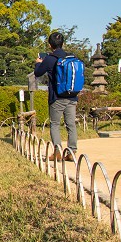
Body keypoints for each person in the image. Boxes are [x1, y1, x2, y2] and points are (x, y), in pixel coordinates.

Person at [34, 31, 78, 160]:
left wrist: (38, 62)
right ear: (63, 43)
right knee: (71, 124)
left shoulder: (50, 59)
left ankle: (57, 152)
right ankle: (72, 152)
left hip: (57, 97)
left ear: (49, 45)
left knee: (55, 124)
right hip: (72, 96)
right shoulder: (71, 57)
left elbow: (38, 73)